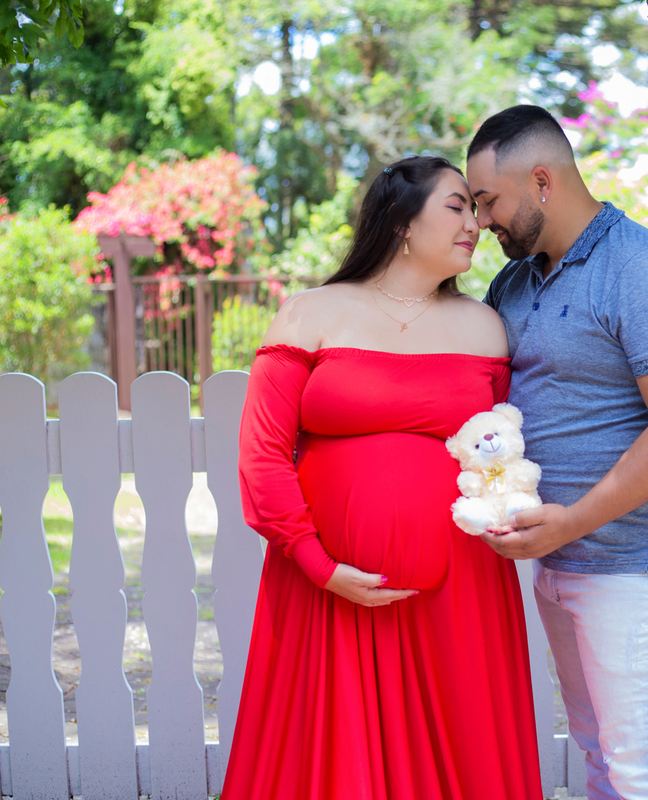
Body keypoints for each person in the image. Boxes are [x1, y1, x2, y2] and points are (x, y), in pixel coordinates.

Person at [223, 155, 543, 800]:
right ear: (400, 220)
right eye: (456, 206)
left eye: (476, 211)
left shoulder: (485, 327)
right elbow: (262, 455)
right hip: (325, 589)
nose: (475, 223)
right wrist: (317, 564)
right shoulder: (312, 313)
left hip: (462, 590)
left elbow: (499, 448)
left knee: (464, 755)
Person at [466, 106, 648, 800]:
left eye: (488, 201)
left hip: (639, 560)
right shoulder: (514, 284)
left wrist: (573, 519)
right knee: (601, 757)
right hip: (562, 559)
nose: (481, 221)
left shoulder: (641, 267)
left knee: (646, 773)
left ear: (542, 180)